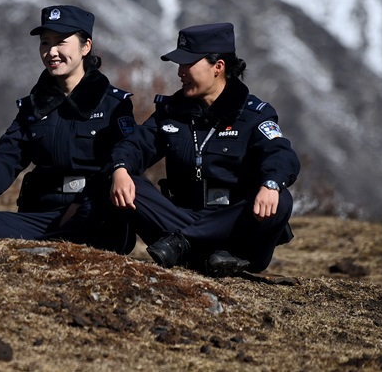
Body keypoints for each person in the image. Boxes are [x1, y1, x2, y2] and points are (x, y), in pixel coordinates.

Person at [110, 23, 300, 276]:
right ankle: (211, 255)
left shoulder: (254, 114)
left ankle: (187, 242)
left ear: (218, 67)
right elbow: (136, 145)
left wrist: (271, 184)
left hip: (237, 233)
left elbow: (280, 154)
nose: (180, 72)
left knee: (281, 199)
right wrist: (120, 168)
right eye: (179, 65)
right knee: (125, 183)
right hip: (181, 216)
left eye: (188, 64)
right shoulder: (171, 112)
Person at [0, 5, 136, 253]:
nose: (51, 52)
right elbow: (7, 157)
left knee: (103, 224)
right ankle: (57, 244)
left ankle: (50, 245)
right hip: (43, 215)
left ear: (86, 47)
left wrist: (82, 201)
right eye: (45, 43)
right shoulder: (33, 106)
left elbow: (126, 158)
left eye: (60, 42)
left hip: (92, 209)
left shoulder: (114, 104)